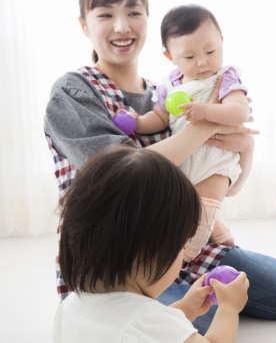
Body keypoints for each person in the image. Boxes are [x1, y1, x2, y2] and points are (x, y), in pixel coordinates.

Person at [44, 0, 276, 334]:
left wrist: (245, 150)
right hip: (116, 263)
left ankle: (179, 298)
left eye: (134, 12)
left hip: (179, 242)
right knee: (191, 318)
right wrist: (210, 122)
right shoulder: (73, 92)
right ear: (83, 24)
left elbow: (226, 185)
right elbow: (120, 172)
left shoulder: (168, 93)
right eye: (105, 14)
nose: (122, 26)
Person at [53, 145, 249, 342]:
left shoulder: (70, 306)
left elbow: (145, 331)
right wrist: (229, 308)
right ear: (152, 250)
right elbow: (147, 326)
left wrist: (187, 308)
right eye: (182, 245)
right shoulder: (145, 322)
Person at [133, 4, 250, 262]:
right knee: (190, 204)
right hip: (186, 158)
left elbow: (240, 112)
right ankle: (223, 237)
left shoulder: (225, 77)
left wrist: (207, 111)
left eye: (210, 51)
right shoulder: (170, 84)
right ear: (170, 57)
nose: (202, 62)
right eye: (189, 57)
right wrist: (139, 123)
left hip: (215, 160)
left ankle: (187, 255)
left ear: (221, 41)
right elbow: (160, 117)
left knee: (199, 215)